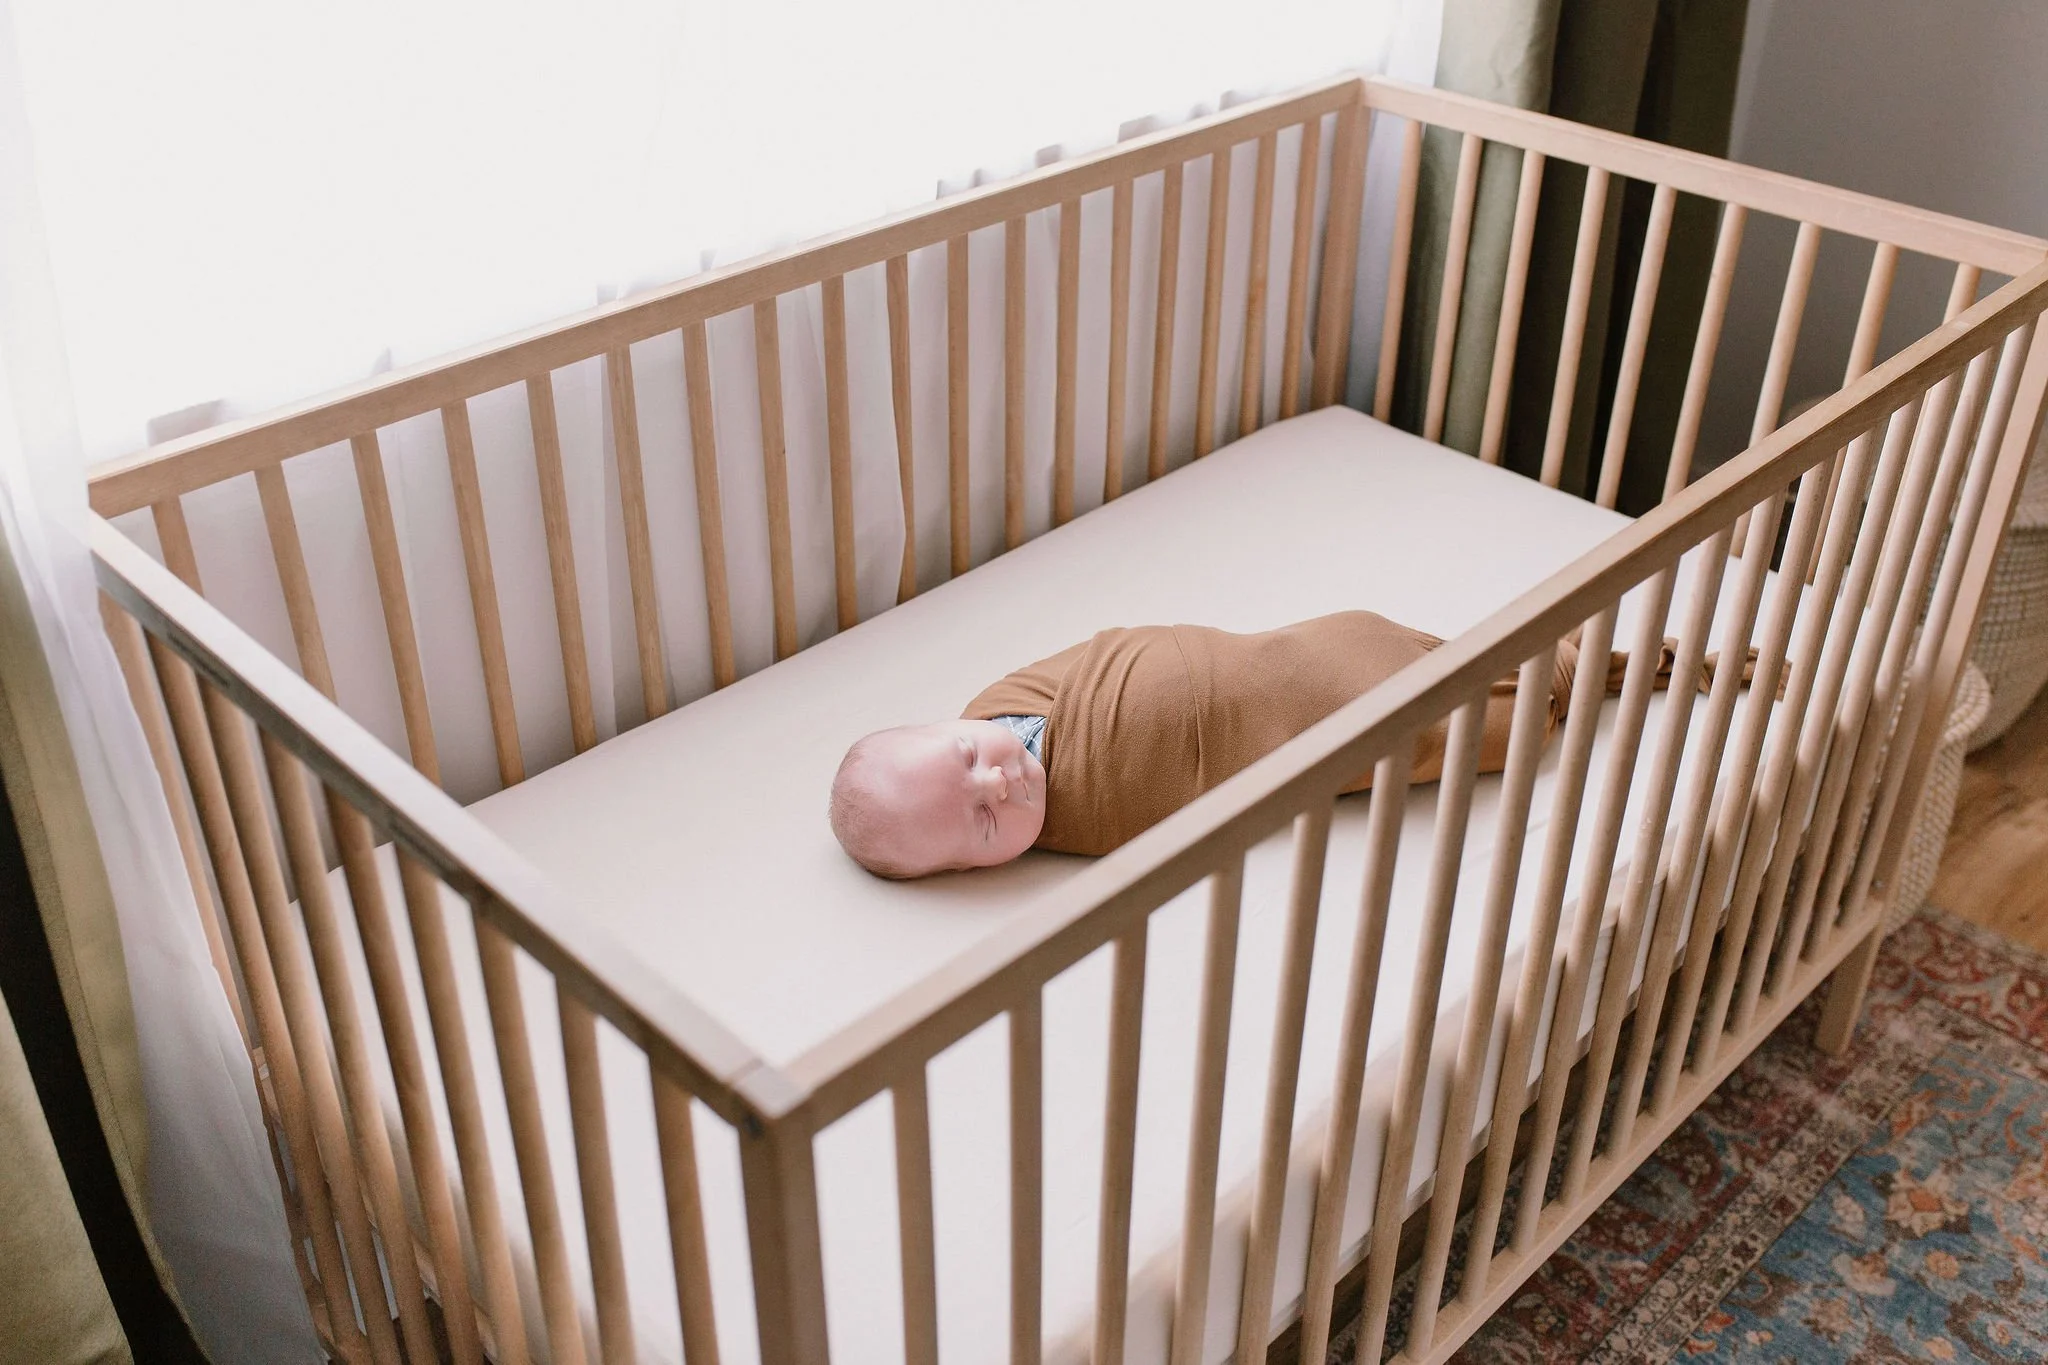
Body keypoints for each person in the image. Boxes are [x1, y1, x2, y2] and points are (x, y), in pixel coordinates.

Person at [828, 609, 1756, 878]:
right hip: (1293, 729)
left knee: (1362, 656)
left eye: (966, 756)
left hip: (1281, 658)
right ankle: (1583, 668)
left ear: (948, 723)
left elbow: (1106, 648)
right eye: (985, 824)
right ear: (969, 870)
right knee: (1466, 728)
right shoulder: (1082, 821)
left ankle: (1583, 658)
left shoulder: (1002, 702)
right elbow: (1169, 784)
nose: (1001, 778)